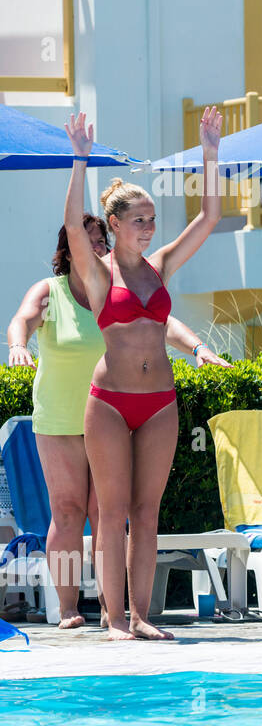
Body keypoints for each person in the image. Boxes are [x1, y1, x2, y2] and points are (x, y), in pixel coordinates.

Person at [6, 216, 228, 628]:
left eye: (101, 242)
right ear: (68, 249)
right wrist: (19, 345)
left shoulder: (115, 285)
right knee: (69, 511)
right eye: (87, 242)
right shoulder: (51, 291)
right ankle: (69, 607)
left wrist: (196, 346)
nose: (96, 248)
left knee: (106, 510)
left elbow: (161, 325)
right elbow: (22, 318)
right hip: (61, 415)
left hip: (110, 412)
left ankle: (113, 608)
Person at [61, 108, 225, 640]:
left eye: (153, 219)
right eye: (140, 219)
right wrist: (79, 161)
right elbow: (70, 225)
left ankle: (141, 617)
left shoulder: (162, 265)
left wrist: (210, 153)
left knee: (147, 512)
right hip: (109, 402)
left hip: (159, 401)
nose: (150, 227)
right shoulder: (97, 271)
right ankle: (112, 620)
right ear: (114, 224)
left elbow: (209, 219)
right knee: (111, 513)